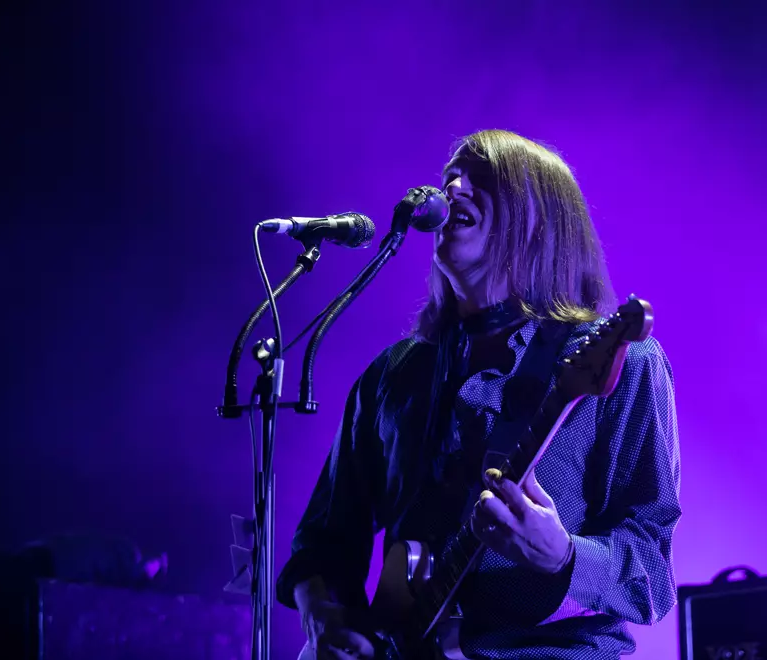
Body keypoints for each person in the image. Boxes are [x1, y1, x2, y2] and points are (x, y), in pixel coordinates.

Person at [276, 129, 681, 659]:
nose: (453, 188)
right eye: (450, 178)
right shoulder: (391, 376)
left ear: (539, 221)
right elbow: (323, 544)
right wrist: (323, 616)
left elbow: (652, 573)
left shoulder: (621, 362)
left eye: (483, 178)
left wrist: (563, 556)